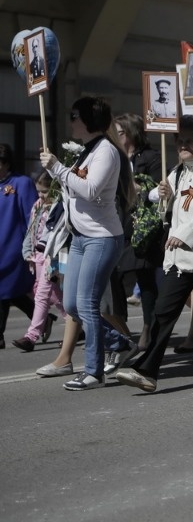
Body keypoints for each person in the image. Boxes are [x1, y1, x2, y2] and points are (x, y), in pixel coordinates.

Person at [116, 116, 193, 392]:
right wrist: (162, 194)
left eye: (189, 141)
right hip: (179, 256)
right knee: (163, 312)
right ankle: (147, 370)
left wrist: (184, 234)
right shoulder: (177, 171)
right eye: (179, 141)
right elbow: (163, 205)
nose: (183, 146)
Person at [39, 97, 134, 390]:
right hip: (80, 237)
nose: (71, 121)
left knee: (88, 304)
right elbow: (73, 189)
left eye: (75, 116)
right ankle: (119, 342)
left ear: (90, 120)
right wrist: (56, 172)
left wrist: (57, 168)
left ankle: (93, 371)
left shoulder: (106, 151)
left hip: (101, 238)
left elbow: (91, 190)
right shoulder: (87, 151)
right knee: (71, 304)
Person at [111, 113, 163, 353]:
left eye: (120, 132)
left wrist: (139, 187)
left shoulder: (151, 157)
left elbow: (159, 188)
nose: (115, 136)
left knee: (145, 277)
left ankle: (148, 327)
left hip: (142, 226)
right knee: (114, 276)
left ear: (131, 133)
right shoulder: (113, 156)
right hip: (117, 222)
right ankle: (120, 326)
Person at [12, 172, 63, 351]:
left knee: (42, 294)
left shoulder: (59, 207)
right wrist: (27, 251)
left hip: (52, 256)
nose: (41, 195)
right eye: (38, 192)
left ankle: (31, 337)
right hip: (38, 256)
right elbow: (31, 229)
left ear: (55, 190)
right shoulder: (38, 206)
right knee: (55, 295)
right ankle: (79, 325)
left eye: (44, 192)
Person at [0, 144, 38, 349]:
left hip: (13, 247)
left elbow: (32, 217)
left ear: (5, 163)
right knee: (10, 292)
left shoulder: (21, 183)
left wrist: (32, 246)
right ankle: (43, 320)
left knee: (5, 289)